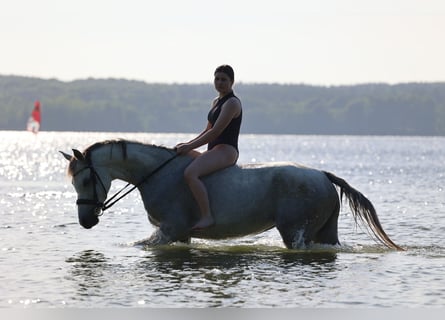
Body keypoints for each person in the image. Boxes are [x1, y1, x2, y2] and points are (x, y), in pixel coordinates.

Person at [175, 65, 242, 230]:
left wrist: (189, 146)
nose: (220, 82)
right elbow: (207, 130)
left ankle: (207, 216)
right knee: (179, 154)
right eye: (217, 79)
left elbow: (215, 132)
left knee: (190, 173)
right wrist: (185, 146)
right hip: (214, 151)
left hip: (226, 151)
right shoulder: (216, 102)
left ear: (232, 82)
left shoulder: (232, 103)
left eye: (224, 80)